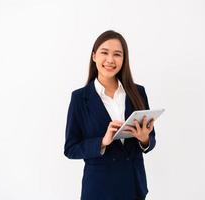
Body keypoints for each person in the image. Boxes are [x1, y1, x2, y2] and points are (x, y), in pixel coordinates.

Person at [64, 30, 156, 200]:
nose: (110, 60)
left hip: (134, 188)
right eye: (104, 53)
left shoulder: (138, 92)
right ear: (94, 56)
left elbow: (151, 141)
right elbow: (70, 149)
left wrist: (144, 139)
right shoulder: (79, 98)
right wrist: (102, 142)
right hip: (99, 190)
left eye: (117, 54)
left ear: (124, 59)